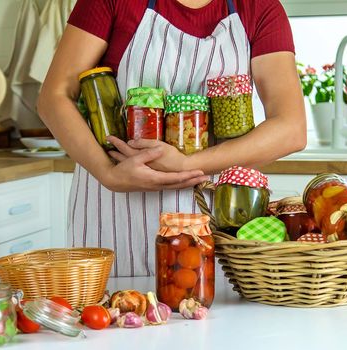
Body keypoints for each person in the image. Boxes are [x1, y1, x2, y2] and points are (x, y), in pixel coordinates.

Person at [37, 0, 306, 277]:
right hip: (115, 209)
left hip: (214, 219)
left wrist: (186, 163)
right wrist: (108, 173)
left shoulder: (258, 8)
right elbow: (53, 97)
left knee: (211, 309)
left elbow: (291, 129)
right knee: (113, 310)